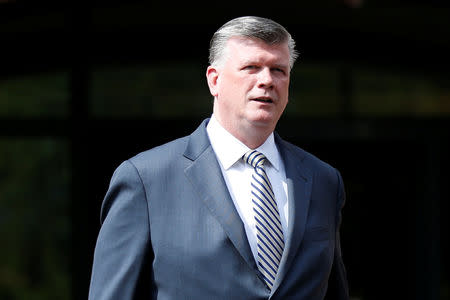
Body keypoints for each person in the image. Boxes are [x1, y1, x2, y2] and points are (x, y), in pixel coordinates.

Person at [89, 16, 349, 300]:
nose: (267, 80)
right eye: (252, 67)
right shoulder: (146, 180)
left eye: (279, 70)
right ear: (215, 80)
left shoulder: (323, 180)